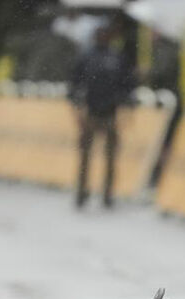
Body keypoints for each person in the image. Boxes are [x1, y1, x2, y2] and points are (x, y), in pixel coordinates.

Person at [68, 26, 135, 209]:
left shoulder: (117, 57)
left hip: (110, 112)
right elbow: (74, 83)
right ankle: (82, 192)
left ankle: (108, 194)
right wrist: (76, 107)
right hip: (90, 111)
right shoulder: (86, 57)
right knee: (85, 156)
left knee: (111, 157)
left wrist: (126, 104)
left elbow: (127, 84)